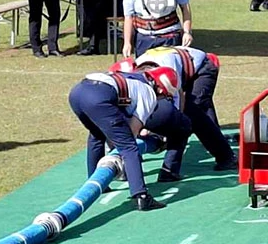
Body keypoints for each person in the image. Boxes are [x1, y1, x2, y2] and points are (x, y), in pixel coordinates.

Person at [68, 66, 190, 211]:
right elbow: (133, 130)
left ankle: (96, 182)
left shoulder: (133, 78)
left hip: (77, 92)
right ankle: (141, 196)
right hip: (99, 96)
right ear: (161, 89)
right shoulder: (148, 93)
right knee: (129, 147)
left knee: (96, 135)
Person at [134, 45, 237, 171]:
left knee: (192, 113)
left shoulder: (169, 71)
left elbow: (178, 105)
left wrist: (166, 131)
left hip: (202, 68)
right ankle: (217, 139)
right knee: (199, 110)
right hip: (180, 65)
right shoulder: (136, 75)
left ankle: (226, 157)